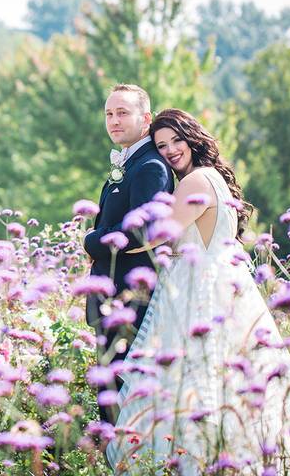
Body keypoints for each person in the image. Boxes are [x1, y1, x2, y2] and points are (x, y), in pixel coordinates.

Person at [105, 109, 290, 474]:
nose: (170, 150)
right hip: (220, 287)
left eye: (176, 140)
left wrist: (105, 240)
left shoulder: (197, 181)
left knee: (196, 386)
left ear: (193, 138)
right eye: (161, 145)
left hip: (199, 294)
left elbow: (154, 236)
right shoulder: (212, 178)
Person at [83, 83, 175, 424]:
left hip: (130, 299)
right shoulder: (129, 162)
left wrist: (90, 241)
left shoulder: (150, 166)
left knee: (121, 393)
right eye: (109, 113)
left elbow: (142, 231)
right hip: (112, 296)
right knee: (109, 388)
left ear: (145, 118)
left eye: (123, 112)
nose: (114, 120)